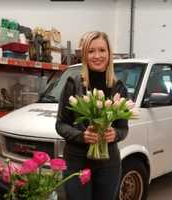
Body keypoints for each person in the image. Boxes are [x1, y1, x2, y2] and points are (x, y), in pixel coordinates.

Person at [55, 31, 128, 200]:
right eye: (91, 51)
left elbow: (123, 128)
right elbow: (61, 124)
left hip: (108, 162)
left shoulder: (119, 87)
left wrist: (115, 134)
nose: (97, 56)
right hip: (77, 161)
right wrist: (82, 136)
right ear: (85, 55)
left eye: (102, 50)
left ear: (109, 53)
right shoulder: (74, 83)